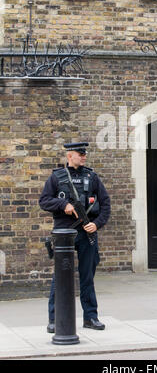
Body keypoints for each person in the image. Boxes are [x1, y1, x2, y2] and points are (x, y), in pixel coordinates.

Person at [39, 142, 110, 333]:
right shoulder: (57, 177)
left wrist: (97, 224)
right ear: (70, 156)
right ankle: (54, 319)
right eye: (80, 154)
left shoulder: (92, 177)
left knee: (87, 277)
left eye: (84, 154)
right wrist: (63, 205)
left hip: (87, 233)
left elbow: (105, 204)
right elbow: (44, 201)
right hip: (65, 234)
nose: (84, 156)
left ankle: (91, 317)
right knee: (60, 277)